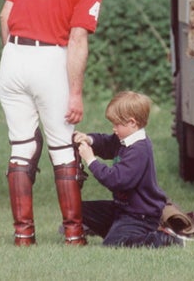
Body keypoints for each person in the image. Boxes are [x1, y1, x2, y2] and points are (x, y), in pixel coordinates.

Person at [0, 0, 127, 246]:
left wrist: (15, 56)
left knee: (21, 148)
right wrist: (76, 93)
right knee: (62, 148)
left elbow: (5, 15)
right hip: (50, 58)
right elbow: (78, 39)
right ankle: (72, 233)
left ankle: (23, 234)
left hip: (13, 56)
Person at [73, 91, 183, 248]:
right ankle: (116, 231)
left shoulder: (139, 149)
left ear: (132, 122)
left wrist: (90, 160)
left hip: (140, 216)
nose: (114, 129)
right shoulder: (124, 140)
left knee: (112, 244)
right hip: (122, 210)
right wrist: (88, 139)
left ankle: (160, 239)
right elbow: (106, 143)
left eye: (117, 124)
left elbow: (116, 180)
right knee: (77, 209)